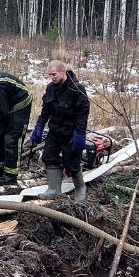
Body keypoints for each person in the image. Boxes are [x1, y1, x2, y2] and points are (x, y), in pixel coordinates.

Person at [30, 60, 90, 202]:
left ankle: (80, 188)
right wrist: (39, 126)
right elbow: (45, 110)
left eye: (54, 74)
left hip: (71, 132)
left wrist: (80, 133)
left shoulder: (77, 89)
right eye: (49, 75)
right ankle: (54, 189)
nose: (52, 77)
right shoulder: (51, 88)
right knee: (48, 157)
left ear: (63, 72)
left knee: (72, 163)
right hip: (55, 130)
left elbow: (83, 112)